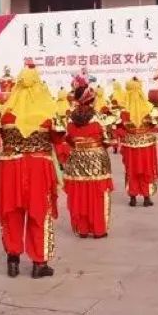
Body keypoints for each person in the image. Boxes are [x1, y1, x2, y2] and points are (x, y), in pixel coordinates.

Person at [0, 64, 60, 279]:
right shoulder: (47, 113)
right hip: (37, 166)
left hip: (11, 165)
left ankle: (13, 260)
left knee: (12, 212)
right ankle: (38, 263)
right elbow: (58, 138)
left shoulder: (6, 115)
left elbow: (3, 137)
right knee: (39, 212)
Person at [62, 83, 113, 238]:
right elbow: (107, 140)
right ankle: (98, 229)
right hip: (97, 158)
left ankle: (82, 229)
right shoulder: (99, 118)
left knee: (79, 193)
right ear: (91, 100)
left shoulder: (70, 120)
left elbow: (68, 139)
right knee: (97, 193)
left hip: (76, 158)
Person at [119, 79, 158, 207]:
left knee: (131, 170)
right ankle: (147, 197)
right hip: (146, 145)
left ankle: (133, 197)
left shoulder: (123, 110)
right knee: (146, 169)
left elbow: (118, 129)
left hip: (130, 146)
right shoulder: (149, 107)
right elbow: (157, 125)